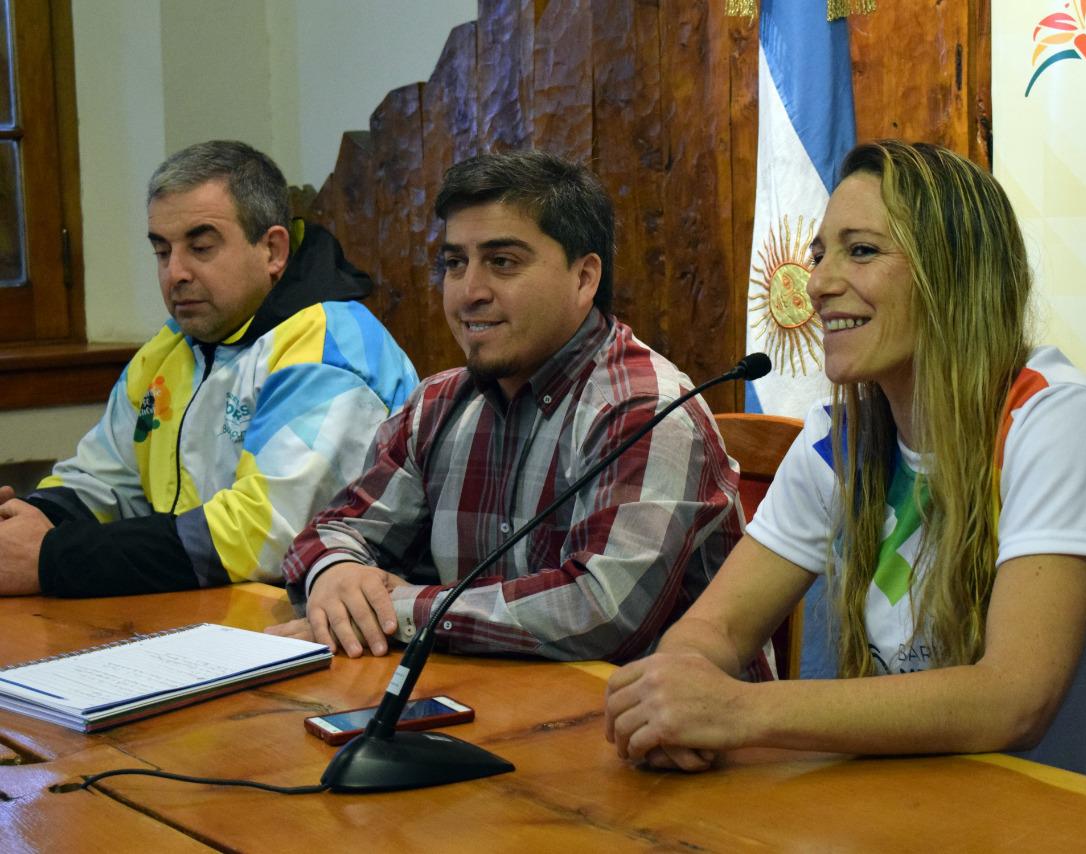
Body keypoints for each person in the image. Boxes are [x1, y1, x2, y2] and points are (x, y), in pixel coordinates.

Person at [604, 140, 1086, 809]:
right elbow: (716, 629)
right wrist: (680, 688)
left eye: (860, 251)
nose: (819, 282)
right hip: (942, 813)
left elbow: (1012, 699)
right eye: (820, 253)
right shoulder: (838, 443)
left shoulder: (1056, 419)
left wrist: (741, 711)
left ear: (955, 271)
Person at [267, 150, 744, 665]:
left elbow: (599, 613)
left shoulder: (645, 409)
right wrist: (335, 573)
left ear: (584, 278)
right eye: (454, 263)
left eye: (502, 262)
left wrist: (402, 608)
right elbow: (333, 532)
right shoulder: (438, 402)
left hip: (656, 730)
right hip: (494, 705)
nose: (468, 292)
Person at [0, 140, 418, 597]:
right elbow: (104, 478)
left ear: (273, 250)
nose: (174, 273)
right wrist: (30, 520)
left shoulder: (328, 345)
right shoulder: (172, 346)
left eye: (200, 247)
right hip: (198, 609)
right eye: (162, 251)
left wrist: (50, 557)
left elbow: (270, 534)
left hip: (306, 620)